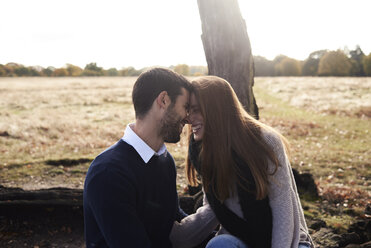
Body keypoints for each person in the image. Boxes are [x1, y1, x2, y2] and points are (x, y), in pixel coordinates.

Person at [170, 76, 314, 248]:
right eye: (188, 111)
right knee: (219, 245)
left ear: (216, 110)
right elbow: (214, 209)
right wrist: (175, 233)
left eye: (196, 110)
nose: (189, 118)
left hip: (289, 241)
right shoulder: (203, 150)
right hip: (240, 237)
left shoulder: (265, 141)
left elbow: (282, 208)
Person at [83, 67, 192, 248]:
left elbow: (174, 221)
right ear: (163, 100)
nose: (188, 118)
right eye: (185, 107)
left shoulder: (165, 161)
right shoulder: (108, 173)